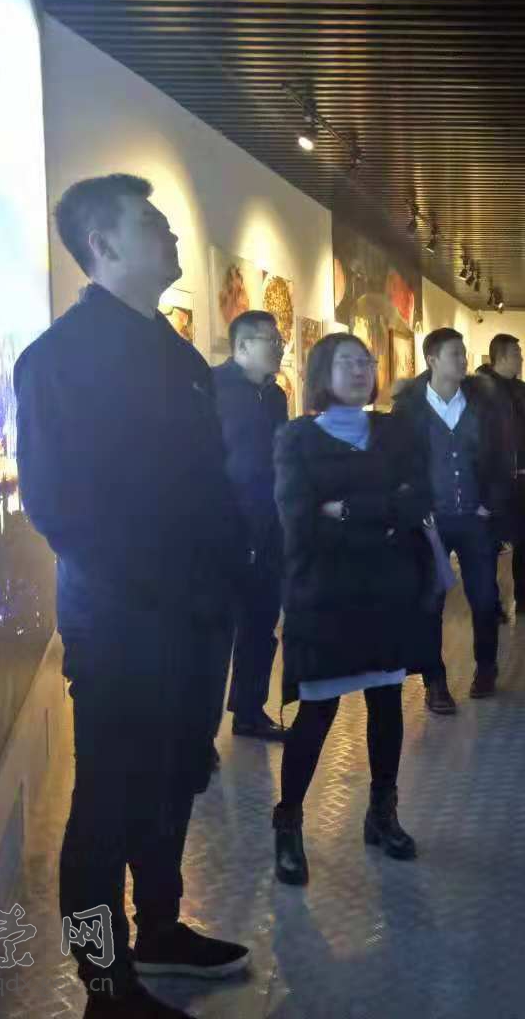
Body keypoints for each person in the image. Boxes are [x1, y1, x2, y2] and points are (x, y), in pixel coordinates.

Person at [15, 174, 250, 1018]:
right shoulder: (58, 359)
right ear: (103, 244)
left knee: (177, 777)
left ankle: (161, 928)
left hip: (196, 616)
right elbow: (57, 506)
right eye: (151, 223)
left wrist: (227, 574)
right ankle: (104, 984)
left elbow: (208, 482)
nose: (171, 234)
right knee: (107, 805)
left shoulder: (179, 357)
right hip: (122, 625)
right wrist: (156, 590)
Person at [270, 334, 429, 883]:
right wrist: (380, 519)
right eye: (348, 362)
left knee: (387, 704)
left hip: (386, 592)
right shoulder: (296, 438)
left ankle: (382, 813)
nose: (361, 371)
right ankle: (288, 823)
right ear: (322, 371)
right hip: (325, 597)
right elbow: (298, 521)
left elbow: (417, 500)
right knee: (317, 711)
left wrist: (346, 509)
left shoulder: (395, 431)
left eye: (366, 362)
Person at [392, 327, 506, 714]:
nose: (463, 360)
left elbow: (501, 456)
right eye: (455, 354)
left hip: (475, 518)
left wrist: (489, 504)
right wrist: (413, 505)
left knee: (485, 598)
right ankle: (435, 683)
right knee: (430, 603)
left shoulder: (482, 404)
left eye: (463, 353)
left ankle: (486, 668)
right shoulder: (408, 408)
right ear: (432, 360)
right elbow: (398, 463)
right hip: (431, 521)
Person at [212, 310, 290, 741]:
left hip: (269, 526)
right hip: (226, 529)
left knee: (261, 625)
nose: (280, 347)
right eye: (271, 341)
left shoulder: (275, 396)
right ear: (242, 345)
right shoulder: (212, 388)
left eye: (279, 340)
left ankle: (249, 711)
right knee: (215, 634)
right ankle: (200, 734)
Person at [475, 333, 525, 617]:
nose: (522, 358)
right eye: (517, 354)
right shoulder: (481, 391)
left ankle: (524, 599)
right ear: (502, 356)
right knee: (491, 545)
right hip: (496, 483)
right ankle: (491, 604)